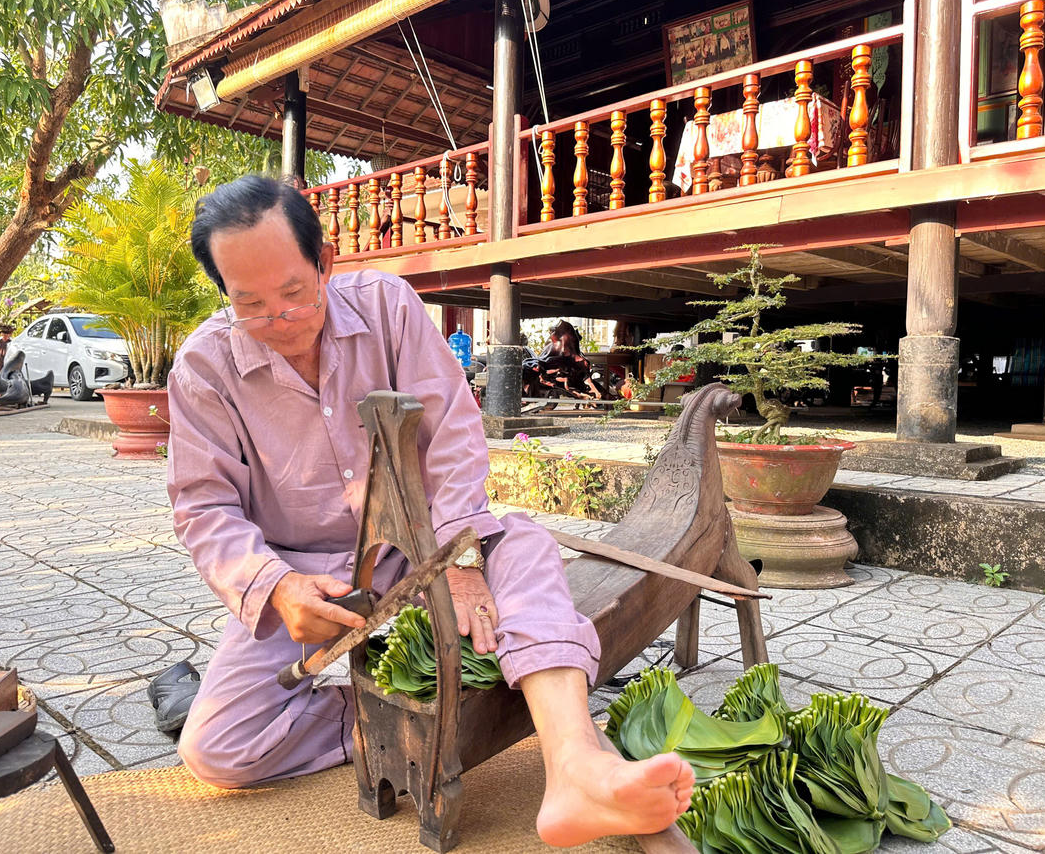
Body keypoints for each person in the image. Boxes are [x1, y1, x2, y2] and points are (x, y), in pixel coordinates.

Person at [164, 175, 694, 847]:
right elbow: (203, 505)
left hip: (426, 551)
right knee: (217, 750)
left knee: (522, 548)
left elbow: (451, 439)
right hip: (317, 587)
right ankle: (376, 720)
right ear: (223, 293)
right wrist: (273, 587)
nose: (281, 320)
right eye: (251, 304)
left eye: (294, 292)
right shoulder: (204, 369)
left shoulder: (388, 307)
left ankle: (574, 767)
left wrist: (463, 564)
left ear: (324, 263)